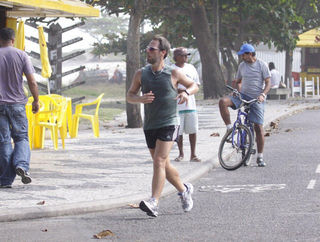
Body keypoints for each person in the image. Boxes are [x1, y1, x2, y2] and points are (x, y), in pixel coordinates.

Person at [127, 35, 199, 217]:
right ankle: (184, 190)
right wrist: (139, 99)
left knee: (159, 161)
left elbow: (193, 85)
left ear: (163, 53)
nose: (148, 51)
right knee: (163, 164)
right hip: (150, 124)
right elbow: (130, 95)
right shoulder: (140, 74)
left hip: (169, 122)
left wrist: (186, 94)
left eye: (152, 49)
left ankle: (154, 202)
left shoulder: (173, 73)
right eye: (147, 48)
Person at [219, 43, 271, 167]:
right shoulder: (242, 65)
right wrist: (237, 91)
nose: (242, 57)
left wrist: (262, 95)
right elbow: (238, 81)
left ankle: (260, 156)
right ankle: (230, 128)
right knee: (223, 102)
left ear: (250, 54)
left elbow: (268, 83)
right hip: (242, 95)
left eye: (244, 55)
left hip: (257, 98)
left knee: (258, 126)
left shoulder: (262, 65)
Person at [0, 28, 39, 188]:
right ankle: (21, 165)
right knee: (21, 137)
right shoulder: (21, 55)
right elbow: (32, 81)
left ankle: (5, 180)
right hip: (17, 104)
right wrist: (36, 99)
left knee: (3, 141)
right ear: (13, 40)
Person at [172, 47, 201, 163]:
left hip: (190, 104)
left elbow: (196, 85)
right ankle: (181, 153)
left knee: (192, 130)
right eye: (183, 55)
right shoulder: (172, 70)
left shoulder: (191, 68)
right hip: (177, 105)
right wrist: (179, 91)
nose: (185, 58)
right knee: (178, 131)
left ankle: (193, 154)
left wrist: (186, 92)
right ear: (177, 57)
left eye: (186, 55)